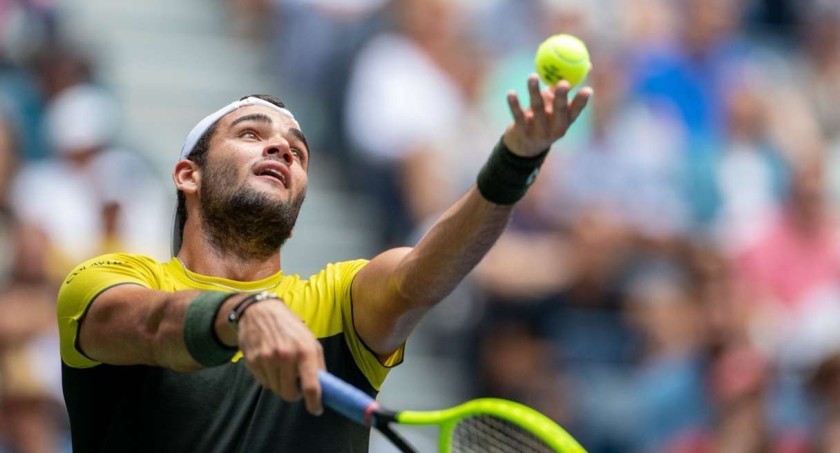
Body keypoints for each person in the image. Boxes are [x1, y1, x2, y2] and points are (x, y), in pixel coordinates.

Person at [56, 75, 591, 451]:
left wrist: (515, 162)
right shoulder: (108, 280)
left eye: (297, 149)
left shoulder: (340, 301)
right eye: (250, 134)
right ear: (187, 176)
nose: (281, 150)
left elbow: (426, 272)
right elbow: (153, 325)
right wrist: (244, 315)